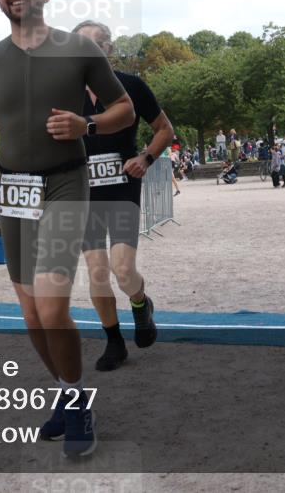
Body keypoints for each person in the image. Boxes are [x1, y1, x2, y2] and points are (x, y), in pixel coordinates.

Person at [0, 0, 135, 458]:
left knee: (53, 306)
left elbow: (124, 108)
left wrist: (87, 125)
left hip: (64, 184)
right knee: (32, 315)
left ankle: (77, 404)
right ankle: (68, 394)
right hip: (14, 191)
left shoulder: (77, 48)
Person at [72, 20, 174, 372]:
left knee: (122, 268)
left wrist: (145, 157)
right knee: (97, 272)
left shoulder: (130, 86)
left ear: (109, 50)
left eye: (94, 46)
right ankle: (114, 342)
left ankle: (140, 302)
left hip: (122, 187)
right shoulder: (65, 94)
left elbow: (165, 129)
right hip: (83, 193)